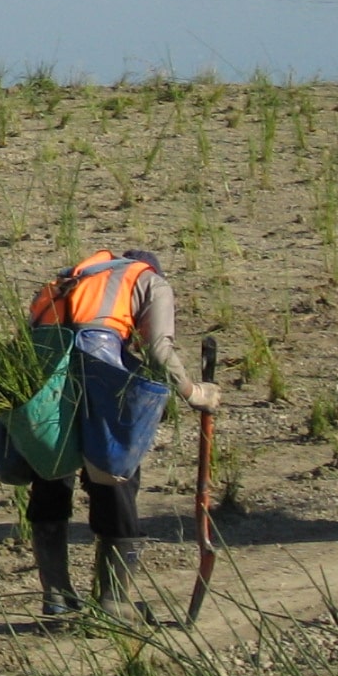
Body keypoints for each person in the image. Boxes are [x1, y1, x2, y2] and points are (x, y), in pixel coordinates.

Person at [25, 249, 223, 616]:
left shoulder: (68, 280)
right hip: (98, 368)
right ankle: (113, 601)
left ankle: (56, 596)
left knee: (52, 473)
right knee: (115, 473)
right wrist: (196, 394)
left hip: (43, 377)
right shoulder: (150, 281)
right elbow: (158, 350)